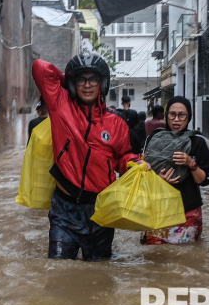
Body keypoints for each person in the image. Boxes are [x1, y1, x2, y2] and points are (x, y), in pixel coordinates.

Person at [32, 53, 149, 261]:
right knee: (57, 274)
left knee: (99, 277)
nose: (87, 85)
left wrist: (133, 163)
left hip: (100, 211)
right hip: (63, 211)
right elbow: (40, 67)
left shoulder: (117, 122)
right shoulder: (61, 107)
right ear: (73, 83)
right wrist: (66, 80)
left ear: (102, 83)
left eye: (93, 79)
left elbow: (123, 157)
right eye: (80, 79)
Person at [140, 96, 209, 245]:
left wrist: (190, 163)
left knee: (186, 261)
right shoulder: (153, 138)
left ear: (189, 117)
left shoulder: (197, 141)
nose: (176, 119)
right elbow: (141, 172)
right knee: (153, 259)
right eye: (172, 114)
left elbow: (204, 180)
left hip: (187, 212)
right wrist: (156, 179)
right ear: (166, 115)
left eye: (182, 115)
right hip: (157, 209)